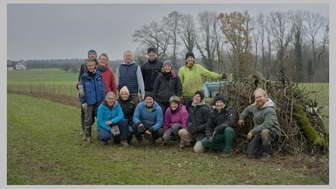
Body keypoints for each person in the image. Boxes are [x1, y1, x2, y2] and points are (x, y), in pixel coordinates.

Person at [237, 88, 281, 158]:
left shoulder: (270, 109)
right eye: (256, 97)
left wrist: (252, 131)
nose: (258, 99)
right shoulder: (256, 106)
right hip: (258, 132)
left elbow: (268, 124)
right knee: (250, 154)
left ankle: (267, 153)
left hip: (272, 132)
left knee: (264, 131)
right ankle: (260, 150)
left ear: (265, 97)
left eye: (260, 97)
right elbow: (247, 110)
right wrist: (241, 118)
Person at [79, 59, 105, 143]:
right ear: (87, 66)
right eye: (89, 65)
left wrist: (103, 100)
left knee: (100, 119)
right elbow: (81, 91)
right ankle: (88, 137)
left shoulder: (99, 75)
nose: (90, 67)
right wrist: (83, 102)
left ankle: (102, 136)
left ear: (95, 66)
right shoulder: (84, 77)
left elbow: (102, 89)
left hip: (99, 102)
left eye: (92, 65)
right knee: (88, 120)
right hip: (89, 102)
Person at [76, 50, 98, 137]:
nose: (92, 56)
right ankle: (84, 129)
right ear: (88, 56)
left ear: (96, 56)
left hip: (96, 94)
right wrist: (79, 87)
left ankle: (97, 130)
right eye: (90, 55)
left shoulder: (98, 66)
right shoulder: (83, 66)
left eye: (93, 55)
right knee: (84, 113)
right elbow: (80, 79)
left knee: (95, 114)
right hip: (85, 94)